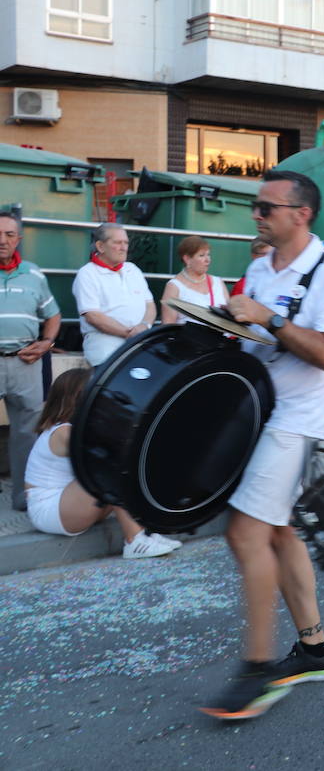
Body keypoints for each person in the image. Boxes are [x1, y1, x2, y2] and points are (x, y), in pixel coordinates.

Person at [202, 170, 324, 720]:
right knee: (280, 532)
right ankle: (316, 650)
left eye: (267, 208)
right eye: (257, 206)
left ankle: (257, 668)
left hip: (298, 420)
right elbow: (255, 339)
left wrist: (267, 316)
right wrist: (226, 323)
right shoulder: (257, 266)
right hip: (257, 414)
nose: (257, 215)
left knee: (244, 531)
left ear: (302, 214)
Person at [23, 367, 181, 556]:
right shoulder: (63, 432)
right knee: (108, 471)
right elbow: (107, 453)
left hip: (72, 504)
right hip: (50, 510)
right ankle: (134, 541)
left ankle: (146, 532)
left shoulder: (75, 428)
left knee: (123, 471)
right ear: (78, 397)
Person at [0, 212, 60, 512]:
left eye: (10, 234)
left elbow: (53, 314)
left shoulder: (34, 273)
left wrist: (47, 342)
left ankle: (24, 498)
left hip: (26, 362)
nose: (2, 240)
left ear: (18, 239)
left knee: (27, 433)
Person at [73, 224, 155, 367]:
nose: (124, 247)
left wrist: (144, 326)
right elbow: (93, 316)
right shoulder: (87, 273)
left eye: (126, 243)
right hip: (105, 345)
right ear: (100, 246)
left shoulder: (133, 270)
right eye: (117, 242)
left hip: (139, 342)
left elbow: (150, 305)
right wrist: (128, 333)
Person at [160, 236, 229, 324]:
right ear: (187, 259)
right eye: (202, 255)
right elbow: (168, 325)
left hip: (220, 337)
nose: (208, 260)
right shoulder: (174, 286)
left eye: (208, 254)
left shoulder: (218, 282)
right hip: (189, 337)